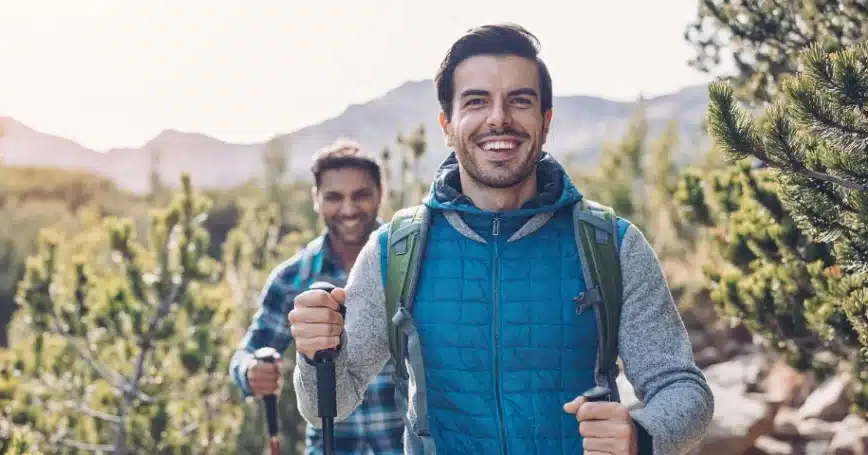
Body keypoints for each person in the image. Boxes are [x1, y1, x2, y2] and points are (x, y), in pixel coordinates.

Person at [287, 23, 714, 455]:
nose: (498, 118)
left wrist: (641, 433)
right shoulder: (393, 252)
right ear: (447, 125)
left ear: (545, 122)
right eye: (476, 101)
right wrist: (313, 353)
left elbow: (682, 388)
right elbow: (330, 403)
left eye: (520, 100)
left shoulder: (612, 245)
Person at [229, 138, 405, 455]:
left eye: (361, 195)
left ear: (381, 193)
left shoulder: (412, 263)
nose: (349, 209)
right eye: (334, 197)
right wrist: (251, 370)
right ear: (316, 199)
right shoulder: (291, 280)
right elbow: (248, 352)